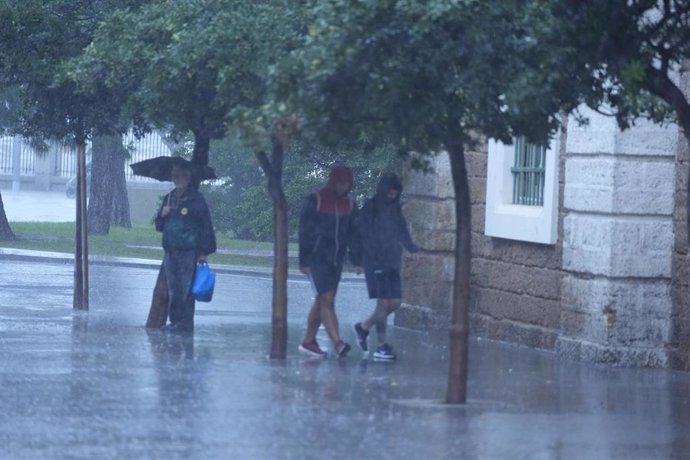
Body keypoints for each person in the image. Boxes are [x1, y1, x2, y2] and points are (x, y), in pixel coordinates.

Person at [298, 165, 362, 358]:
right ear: (333, 181)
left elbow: (354, 234)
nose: (343, 187)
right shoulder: (316, 200)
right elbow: (305, 232)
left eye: (347, 184)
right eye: (341, 183)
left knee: (321, 300)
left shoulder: (350, 204)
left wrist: (358, 259)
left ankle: (309, 341)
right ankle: (338, 342)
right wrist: (304, 260)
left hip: (336, 260)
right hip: (317, 259)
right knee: (327, 299)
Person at [353, 173, 419, 360]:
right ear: (383, 191)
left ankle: (363, 327)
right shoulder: (370, 207)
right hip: (374, 261)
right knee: (383, 303)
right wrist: (358, 260)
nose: (392, 196)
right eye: (389, 193)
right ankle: (382, 344)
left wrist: (412, 249)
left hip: (392, 261)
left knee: (395, 302)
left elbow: (402, 231)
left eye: (395, 194)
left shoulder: (396, 209)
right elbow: (360, 234)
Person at [155, 159, 216, 333]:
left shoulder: (196, 199)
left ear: (189, 177)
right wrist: (163, 215)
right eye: (175, 175)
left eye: (182, 175)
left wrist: (204, 251)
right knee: (174, 289)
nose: (178, 178)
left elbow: (205, 225)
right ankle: (175, 322)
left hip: (190, 252)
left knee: (186, 288)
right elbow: (159, 226)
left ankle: (184, 323)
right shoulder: (169, 197)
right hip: (171, 251)